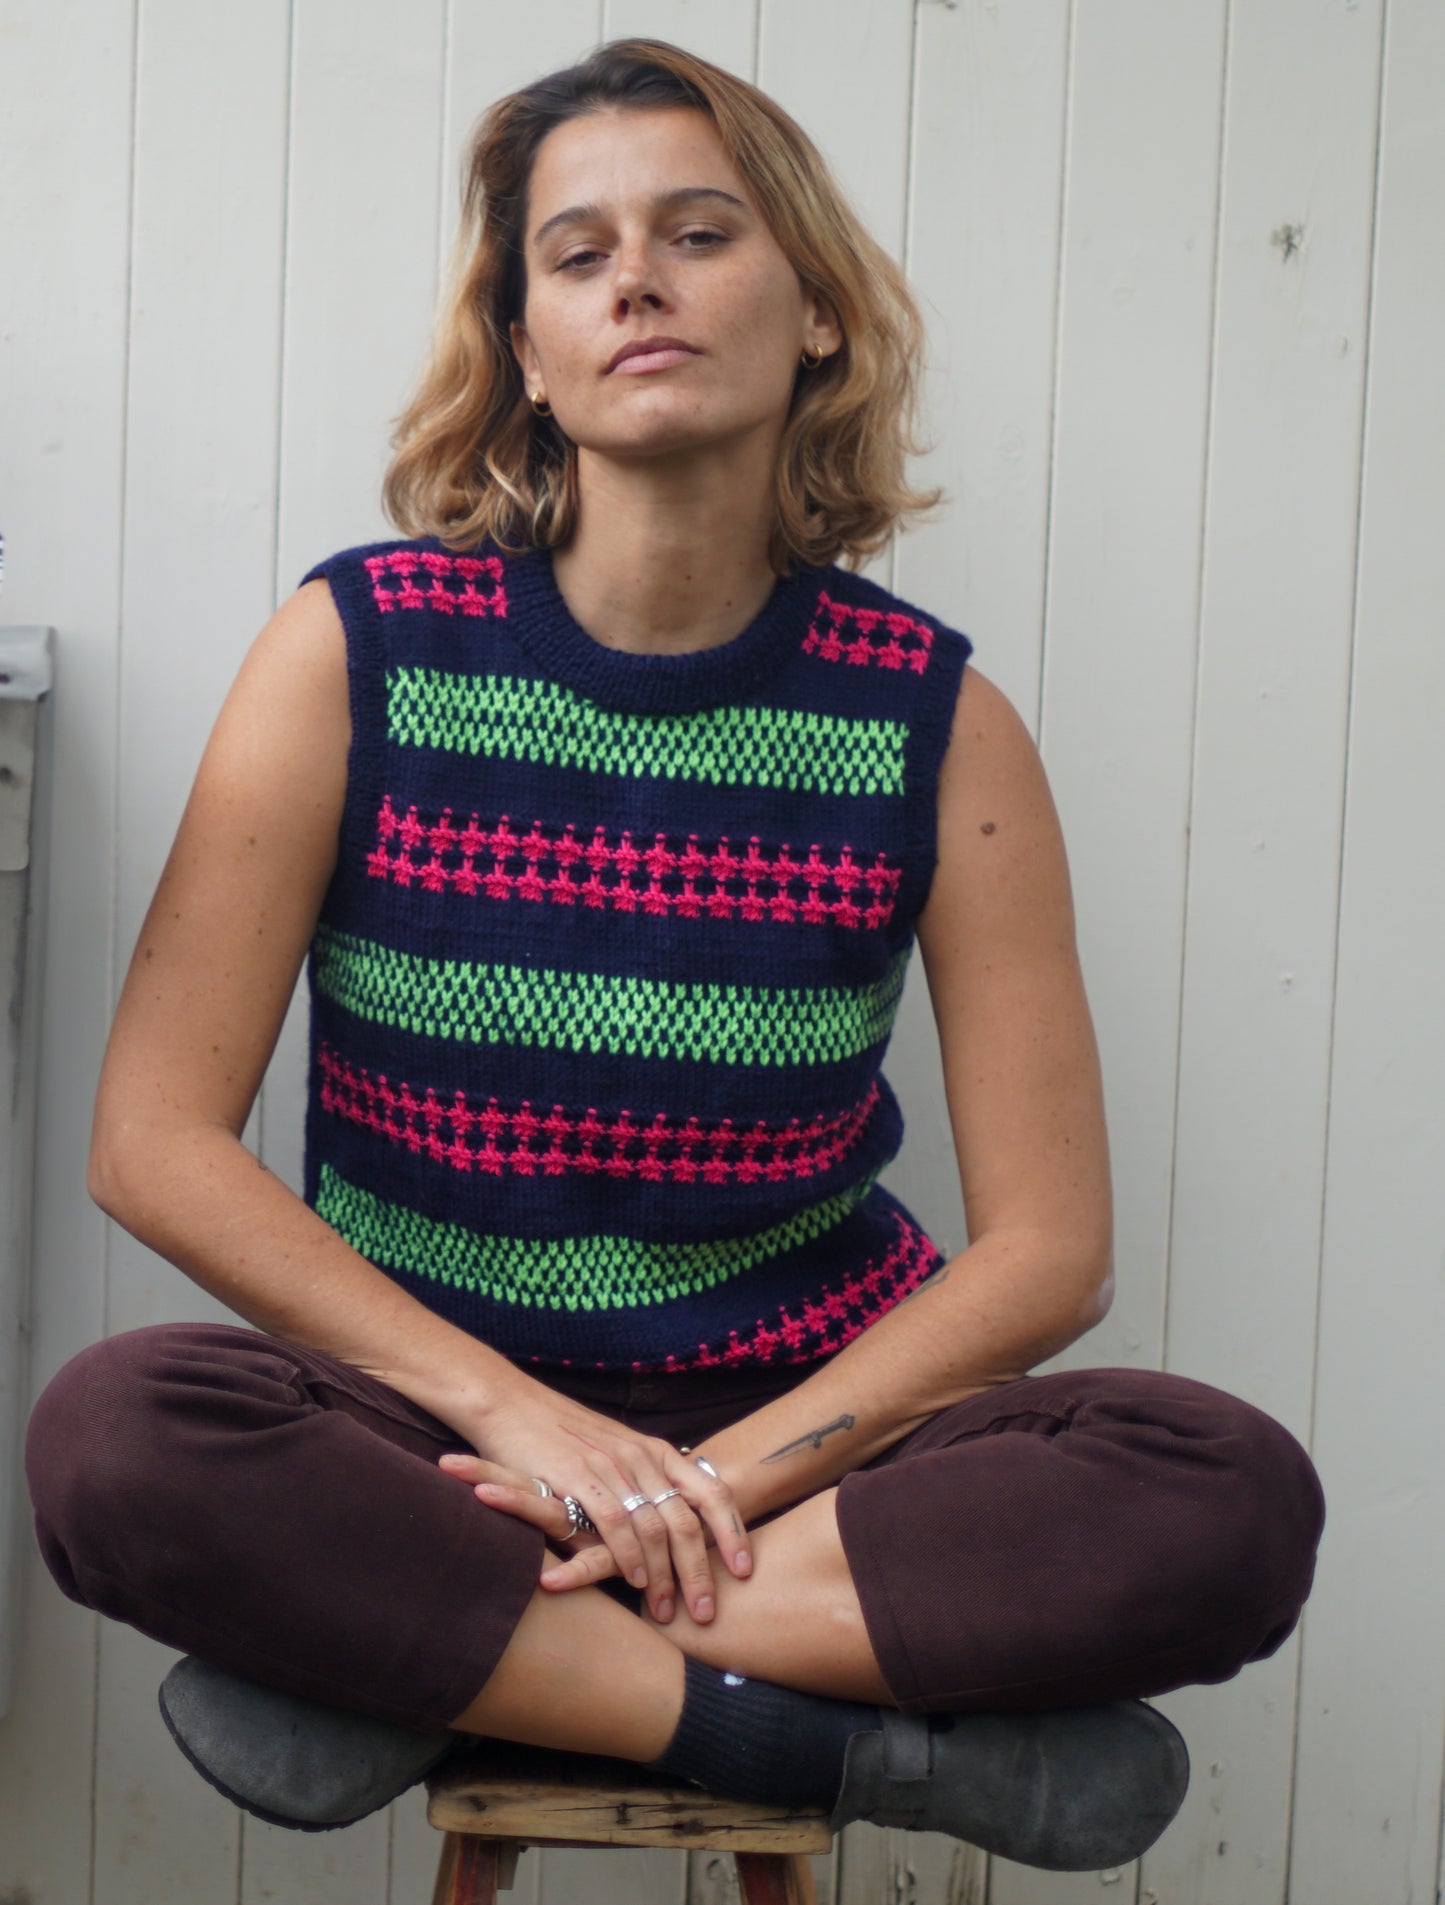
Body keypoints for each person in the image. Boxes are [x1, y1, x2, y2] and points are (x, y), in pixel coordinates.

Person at [24, 39, 1323, 1872]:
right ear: (528, 354)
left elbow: (1051, 1252)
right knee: (116, 1439)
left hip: (796, 1450)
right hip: (436, 1434)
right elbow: (151, 1139)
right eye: (576, 254)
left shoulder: (934, 727)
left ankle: (450, 1659)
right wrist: (521, 1422)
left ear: (809, 313)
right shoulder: (354, 651)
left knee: (1228, 1496)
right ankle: (832, 1745)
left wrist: (710, 1485)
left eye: (698, 232)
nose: (634, 276)